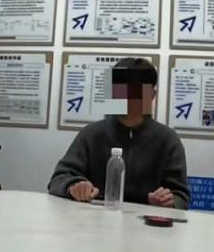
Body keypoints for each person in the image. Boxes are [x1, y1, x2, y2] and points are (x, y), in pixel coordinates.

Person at [48, 58, 190, 209]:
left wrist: (168, 201)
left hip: (146, 220)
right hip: (93, 219)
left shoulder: (168, 140)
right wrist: (73, 187)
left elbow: (181, 196)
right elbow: (58, 179)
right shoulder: (91, 134)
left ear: (151, 95)